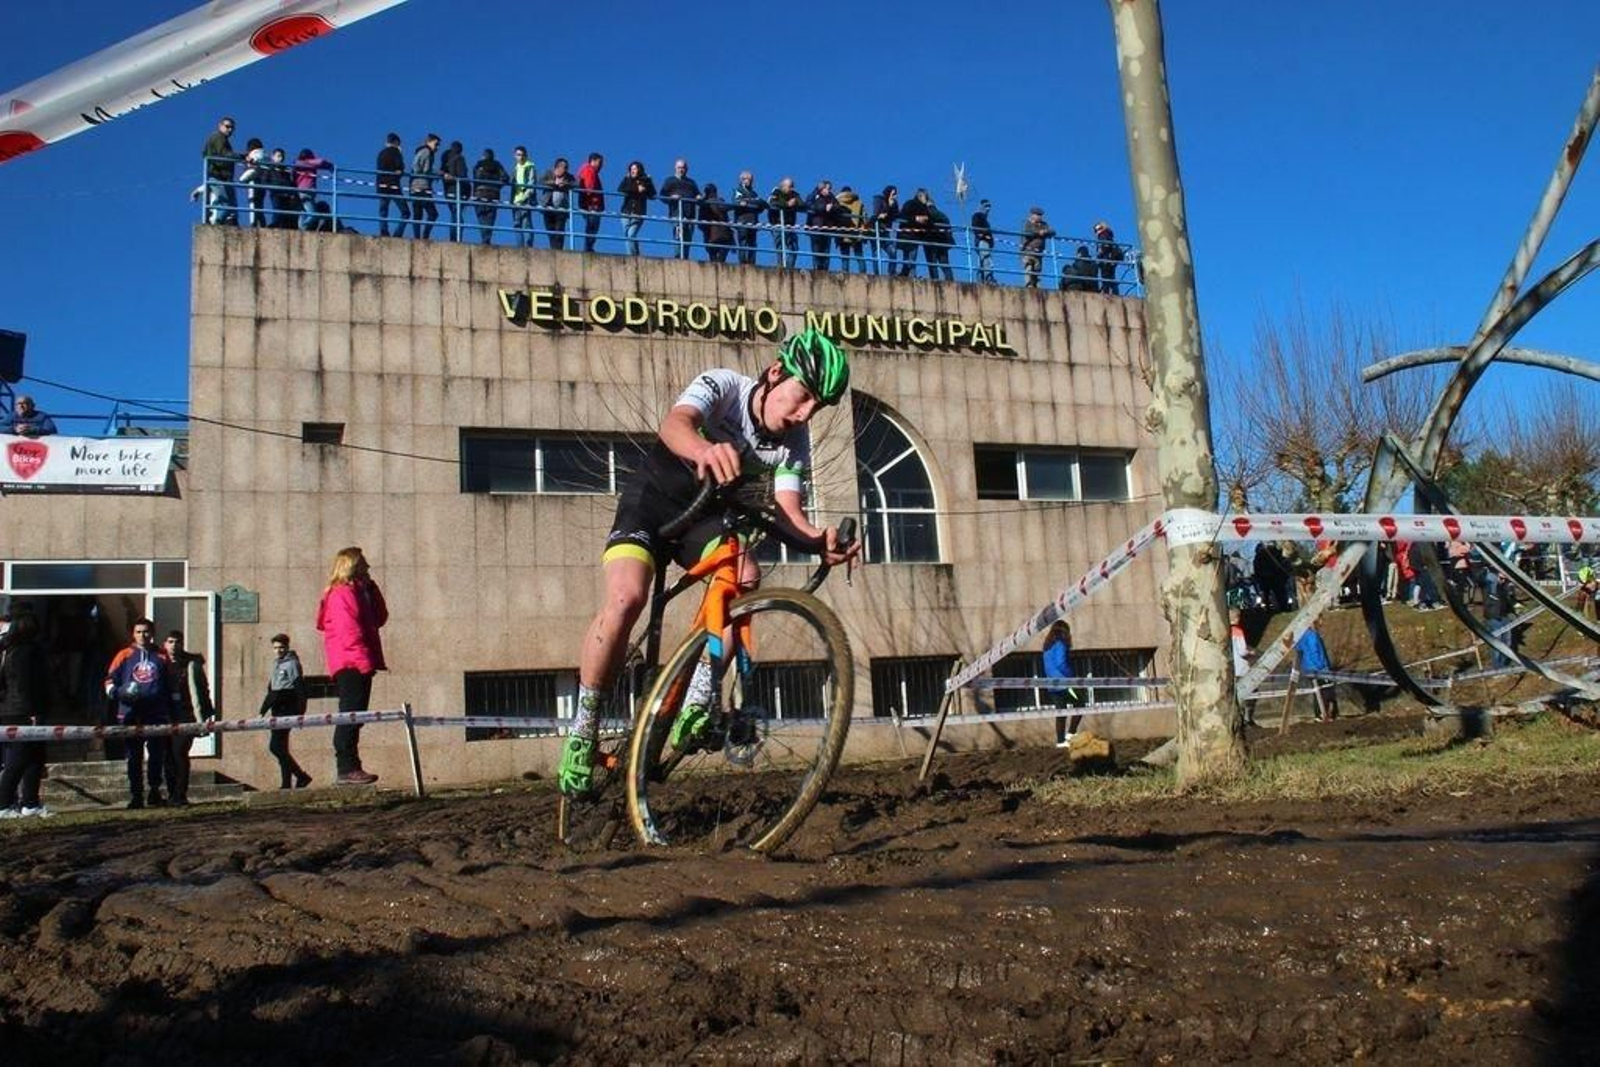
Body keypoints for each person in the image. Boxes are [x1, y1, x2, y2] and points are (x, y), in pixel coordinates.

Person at [557, 328, 860, 795]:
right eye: (802, 398)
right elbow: (675, 424)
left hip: (704, 521)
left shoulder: (791, 445)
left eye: (816, 408)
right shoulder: (724, 387)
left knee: (745, 573)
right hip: (652, 507)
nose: (804, 415)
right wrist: (704, 447)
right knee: (625, 598)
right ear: (776, 373)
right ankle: (584, 727)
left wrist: (822, 540)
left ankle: (699, 699)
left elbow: (788, 512)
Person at [316, 547, 388, 785]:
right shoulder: (341, 595)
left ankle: (351, 766)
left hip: (358, 661)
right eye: (364, 563)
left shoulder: (359, 593)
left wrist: (371, 589)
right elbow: (350, 632)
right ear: (353, 565)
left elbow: (380, 617)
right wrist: (363, 662)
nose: (368, 568)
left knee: (356, 715)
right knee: (351, 713)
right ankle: (346, 767)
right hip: (351, 663)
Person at [104, 617, 178, 808]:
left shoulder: (162, 656)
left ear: (152, 634)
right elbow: (109, 680)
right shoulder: (124, 655)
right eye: (138, 631)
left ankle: (154, 791)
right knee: (133, 757)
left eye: (146, 631)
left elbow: (172, 685)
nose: (142, 635)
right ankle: (136, 795)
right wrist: (116, 692)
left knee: (156, 755)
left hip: (156, 714)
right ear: (133, 634)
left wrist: (175, 710)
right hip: (130, 713)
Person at [0, 610, 52, 818]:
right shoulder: (25, 651)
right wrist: (32, 711)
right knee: (18, 759)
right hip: (23, 711)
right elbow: (25, 683)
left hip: (16, 709)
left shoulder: (9, 649)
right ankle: (3, 804)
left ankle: (30, 802)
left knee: (35, 758)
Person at [161, 630, 215, 806]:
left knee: (179, 752)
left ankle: (180, 794)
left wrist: (205, 714)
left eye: (177, 642)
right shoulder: (161, 663)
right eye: (170, 641)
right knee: (167, 755)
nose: (174, 645)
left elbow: (203, 689)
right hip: (166, 715)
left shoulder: (191, 665)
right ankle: (171, 794)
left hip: (187, 715)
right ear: (164, 644)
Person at [260, 633, 312, 789]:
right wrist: (263, 710)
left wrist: (300, 711)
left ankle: (301, 776)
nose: (278, 651)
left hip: (287, 708)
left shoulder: (292, 664)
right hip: (277, 708)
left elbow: (299, 688)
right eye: (275, 648)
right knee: (281, 747)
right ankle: (286, 783)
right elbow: (272, 690)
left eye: (281, 647)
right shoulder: (276, 664)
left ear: (287, 647)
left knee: (275, 747)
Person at [1042, 620, 1082, 747]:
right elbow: (1061, 663)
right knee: (1081, 703)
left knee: (1061, 712)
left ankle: (1060, 742)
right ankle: (1071, 733)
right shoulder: (1060, 644)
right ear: (1065, 632)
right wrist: (1071, 676)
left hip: (1052, 686)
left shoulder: (1047, 648)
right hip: (1065, 684)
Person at [1293, 624, 1338, 722]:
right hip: (1320, 669)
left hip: (1308, 668)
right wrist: (1321, 666)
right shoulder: (1313, 635)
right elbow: (1315, 652)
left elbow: (1297, 648)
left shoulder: (1300, 636)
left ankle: (1319, 714)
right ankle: (1326, 714)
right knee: (1327, 691)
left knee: (1317, 692)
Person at [202, 116, 242, 225]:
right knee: (224, 202)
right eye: (227, 126)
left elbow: (204, 152)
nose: (230, 129)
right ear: (220, 126)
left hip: (222, 176)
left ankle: (221, 221)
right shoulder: (218, 137)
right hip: (218, 175)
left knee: (226, 202)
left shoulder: (221, 139)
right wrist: (242, 156)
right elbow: (224, 154)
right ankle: (217, 223)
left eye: (232, 128)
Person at [659, 158, 700, 260]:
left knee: (688, 238)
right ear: (675, 168)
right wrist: (671, 197)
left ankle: (685, 257)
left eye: (683, 168)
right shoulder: (670, 181)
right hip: (676, 213)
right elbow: (662, 196)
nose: (681, 170)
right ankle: (678, 257)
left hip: (690, 214)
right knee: (679, 236)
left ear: (687, 169)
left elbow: (697, 194)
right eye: (679, 167)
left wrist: (699, 197)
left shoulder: (691, 182)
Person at [375, 132, 411, 237]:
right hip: (393, 186)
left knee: (383, 210)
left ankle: (383, 231)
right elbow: (400, 167)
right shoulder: (396, 152)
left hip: (381, 185)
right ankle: (398, 233)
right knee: (405, 212)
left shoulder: (381, 153)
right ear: (396, 142)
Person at [617, 160, 656, 256]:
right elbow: (620, 189)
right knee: (627, 235)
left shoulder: (646, 180)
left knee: (631, 235)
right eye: (631, 169)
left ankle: (632, 257)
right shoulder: (627, 179)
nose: (633, 171)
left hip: (638, 212)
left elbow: (653, 195)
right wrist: (636, 189)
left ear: (640, 170)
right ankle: (636, 254)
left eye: (635, 169)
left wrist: (647, 187)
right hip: (626, 211)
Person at [472, 148, 509, 246]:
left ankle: (484, 238)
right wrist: (497, 186)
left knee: (481, 216)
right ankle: (487, 239)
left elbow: (476, 179)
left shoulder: (479, 164)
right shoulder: (497, 165)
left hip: (480, 193)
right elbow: (505, 178)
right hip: (494, 194)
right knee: (490, 217)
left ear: (484, 155)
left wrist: (473, 194)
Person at [293, 148, 334, 231]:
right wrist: (330, 166)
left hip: (302, 191)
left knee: (303, 212)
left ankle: (301, 228)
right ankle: (302, 229)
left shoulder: (298, 165)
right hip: (306, 191)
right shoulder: (307, 163)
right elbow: (320, 162)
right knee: (313, 214)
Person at [540, 157, 576, 251]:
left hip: (561, 209)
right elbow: (540, 182)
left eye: (566, 168)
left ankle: (558, 250)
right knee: (550, 230)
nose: (564, 170)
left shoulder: (568, 176)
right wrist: (554, 183)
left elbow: (576, 184)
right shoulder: (549, 173)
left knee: (559, 230)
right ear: (556, 167)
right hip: (548, 206)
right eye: (562, 167)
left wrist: (565, 184)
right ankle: (554, 249)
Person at [409, 133, 440, 239]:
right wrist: (437, 173)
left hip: (414, 187)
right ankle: (425, 235)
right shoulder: (426, 152)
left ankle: (417, 237)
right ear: (429, 142)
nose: (437, 147)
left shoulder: (422, 151)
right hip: (422, 187)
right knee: (433, 213)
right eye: (436, 144)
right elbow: (420, 167)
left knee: (417, 214)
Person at [1229, 608, 1257, 726]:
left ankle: (1237, 719)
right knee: (1252, 692)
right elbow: (1242, 651)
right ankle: (1247, 719)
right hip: (1241, 667)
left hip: (1232, 667)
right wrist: (1251, 652)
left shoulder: (1225, 630)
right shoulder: (1238, 631)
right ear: (1237, 618)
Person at [767, 177, 803, 268]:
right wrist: (787, 204)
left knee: (794, 248)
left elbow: (803, 204)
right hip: (777, 224)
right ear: (783, 186)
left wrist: (795, 202)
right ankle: (781, 266)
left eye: (792, 186)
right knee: (779, 247)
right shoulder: (776, 193)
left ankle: (789, 267)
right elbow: (772, 203)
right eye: (789, 186)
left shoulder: (794, 194)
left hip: (790, 226)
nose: (791, 188)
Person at [731, 170, 764, 265]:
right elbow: (736, 202)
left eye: (750, 179)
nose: (749, 181)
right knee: (743, 242)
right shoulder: (738, 190)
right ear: (741, 180)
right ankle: (743, 263)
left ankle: (752, 262)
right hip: (742, 220)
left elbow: (761, 205)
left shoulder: (754, 193)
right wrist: (753, 202)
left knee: (753, 244)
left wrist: (748, 202)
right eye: (746, 179)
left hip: (753, 221)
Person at [805, 179, 838, 271]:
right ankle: (817, 269)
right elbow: (808, 204)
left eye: (830, 189)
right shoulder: (814, 195)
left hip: (827, 228)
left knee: (826, 250)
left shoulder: (831, 197)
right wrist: (824, 208)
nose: (829, 190)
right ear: (822, 189)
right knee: (816, 249)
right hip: (816, 227)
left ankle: (825, 270)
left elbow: (838, 206)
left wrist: (831, 207)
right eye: (827, 188)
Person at [897, 190, 932, 277]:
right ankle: (907, 275)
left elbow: (930, 220)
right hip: (907, 235)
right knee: (910, 258)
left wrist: (925, 219)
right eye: (926, 197)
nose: (927, 200)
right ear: (920, 196)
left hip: (914, 236)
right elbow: (903, 216)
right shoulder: (910, 204)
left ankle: (908, 275)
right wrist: (916, 219)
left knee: (910, 258)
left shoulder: (924, 208)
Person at [439, 140, 469, 241]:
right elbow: (462, 176)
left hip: (448, 191)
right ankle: (456, 238)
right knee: (457, 216)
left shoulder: (446, 159)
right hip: (458, 191)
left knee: (454, 214)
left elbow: (441, 173)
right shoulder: (459, 158)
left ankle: (453, 237)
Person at [576, 152, 605, 252]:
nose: (601, 165)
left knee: (591, 227)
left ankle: (588, 247)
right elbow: (589, 186)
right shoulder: (589, 170)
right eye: (599, 162)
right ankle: (588, 248)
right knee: (592, 226)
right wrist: (593, 200)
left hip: (589, 204)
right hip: (592, 204)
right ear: (593, 161)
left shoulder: (587, 170)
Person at [1020, 206, 1056, 288]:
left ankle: (1037, 287)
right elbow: (1027, 232)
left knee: (1037, 271)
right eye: (1038, 215)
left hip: (1039, 252)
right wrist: (1039, 232)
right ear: (1032, 215)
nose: (1040, 217)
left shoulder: (1044, 224)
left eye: (1040, 215)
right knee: (1028, 269)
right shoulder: (1027, 223)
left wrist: (1045, 231)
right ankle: (1029, 286)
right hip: (1028, 251)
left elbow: (1053, 232)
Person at [699, 183, 734, 263]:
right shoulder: (718, 201)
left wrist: (705, 231)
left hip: (709, 236)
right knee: (721, 259)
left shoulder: (703, 205)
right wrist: (737, 206)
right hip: (723, 234)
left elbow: (700, 223)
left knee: (713, 259)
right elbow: (725, 208)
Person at [510, 145, 538, 247]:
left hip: (525, 200)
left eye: (522, 155)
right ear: (515, 156)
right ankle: (520, 246)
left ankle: (528, 246)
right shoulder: (515, 168)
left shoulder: (530, 166)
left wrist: (524, 197)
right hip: (515, 200)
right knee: (517, 224)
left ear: (525, 155)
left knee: (526, 223)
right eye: (518, 155)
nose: (520, 157)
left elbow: (531, 184)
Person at [835, 186, 867, 273]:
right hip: (856, 233)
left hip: (843, 232)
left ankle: (845, 273)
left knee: (845, 256)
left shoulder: (837, 202)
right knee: (859, 255)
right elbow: (865, 218)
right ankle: (863, 274)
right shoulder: (859, 203)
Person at [870, 185, 901, 275]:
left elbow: (896, 215)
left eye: (896, 194)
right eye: (893, 194)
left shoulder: (894, 203)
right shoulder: (879, 200)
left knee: (893, 252)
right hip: (875, 230)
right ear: (888, 193)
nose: (895, 196)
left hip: (885, 232)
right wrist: (885, 211)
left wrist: (892, 206)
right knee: (876, 253)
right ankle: (877, 274)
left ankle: (891, 272)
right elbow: (876, 213)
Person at [239, 138, 268, 227]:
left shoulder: (253, 154)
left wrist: (242, 179)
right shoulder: (265, 155)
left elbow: (252, 167)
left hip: (254, 181)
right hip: (263, 182)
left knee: (253, 203)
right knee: (260, 205)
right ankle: (262, 223)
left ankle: (253, 223)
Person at [925, 195, 955, 281]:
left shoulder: (929, 212)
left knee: (932, 263)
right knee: (944, 263)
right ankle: (950, 280)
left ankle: (935, 280)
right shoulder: (942, 214)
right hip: (943, 241)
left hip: (932, 240)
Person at [1093, 221, 1124, 294]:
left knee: (1106, 278)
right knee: (1111, 278)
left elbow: (1105, 248)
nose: (1097, 231)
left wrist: (1099, 256)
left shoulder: (1103, 235)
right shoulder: (1108, 235)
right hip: (1110, 260)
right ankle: (1114, 293)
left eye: (1099, 228)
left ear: (1103, 227)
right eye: (1095, 230)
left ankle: (1107, 294)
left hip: (1106, 261)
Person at [971, 198, 996, 283]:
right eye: (986, 206)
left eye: (989, 206)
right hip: (982, 241)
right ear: (981, 206)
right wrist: (983, 235)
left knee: (983, 260)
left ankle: (981, 279)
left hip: (986, 242)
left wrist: (991, 242)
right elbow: (975, 227)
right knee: (985, 258)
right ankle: (988, 278)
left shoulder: (986, 220)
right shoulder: (977, 215)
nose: (988, 208)